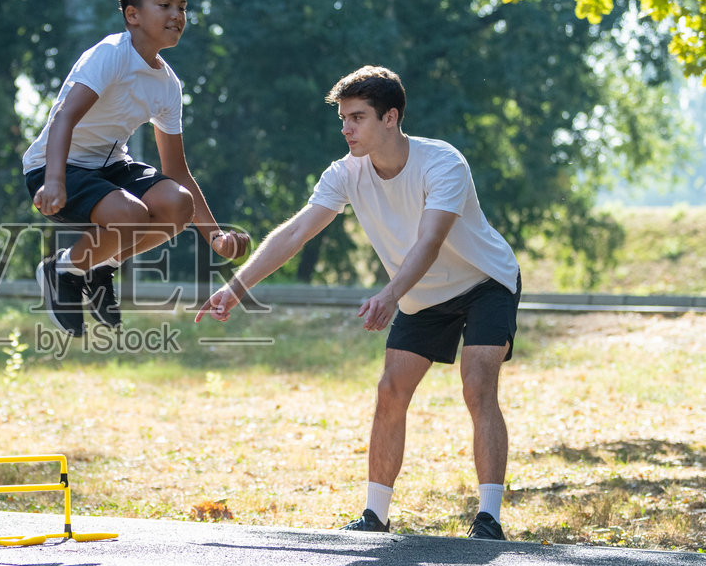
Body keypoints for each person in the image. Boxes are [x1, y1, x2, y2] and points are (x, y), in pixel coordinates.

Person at [195, 65, 520, 540]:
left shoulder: (443, 163)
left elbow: (430, 242)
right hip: (420, 294)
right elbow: (296, 232)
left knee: (477, 384)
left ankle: (488, 519)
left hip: (485, 281)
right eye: (343, 119)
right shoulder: (345, 173)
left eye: (357, 118)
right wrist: (236, 287)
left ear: (391, 117)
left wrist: (389, 295)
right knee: (390, 390)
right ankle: (375, 517)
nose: (346, 128)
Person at [25, 0, 249, 336]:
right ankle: (62, 270)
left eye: (182, 6)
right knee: (130, 216)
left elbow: (177, 171)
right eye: (164, 5)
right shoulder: (110, 54)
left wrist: (215, 236)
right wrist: (55, 180)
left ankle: (99, 267)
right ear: (133, 15)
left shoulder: (168, 85)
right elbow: (64, 117)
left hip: (110, 167)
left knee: (178, 204)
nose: (177, 15)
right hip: (54, 166)